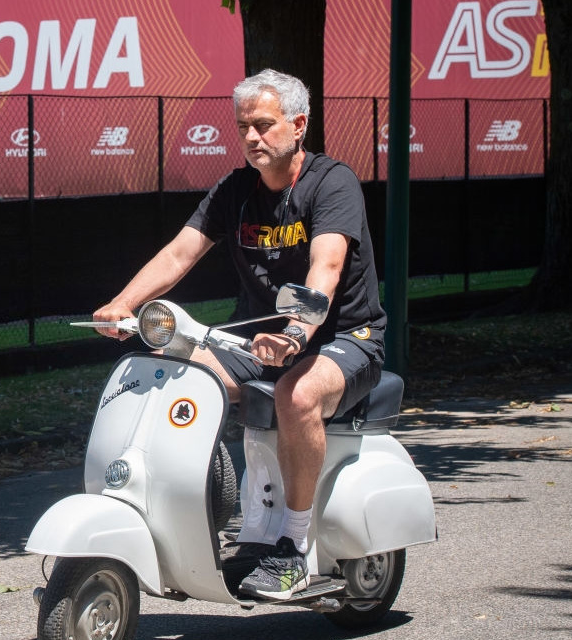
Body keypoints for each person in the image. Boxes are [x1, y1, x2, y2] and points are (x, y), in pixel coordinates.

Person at [92, 69, 386, 600]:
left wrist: (298, 331)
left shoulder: (331, 182)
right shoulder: (235, 191)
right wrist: (122, 304)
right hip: (260, 343)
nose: (251, 137)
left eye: (264, 125)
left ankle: (291, 548)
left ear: (298, 125)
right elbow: (179, 253)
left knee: (296, 396)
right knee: (185, 380)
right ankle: (199, 516)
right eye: (243, 126)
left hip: (345, 338)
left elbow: (328, 264)